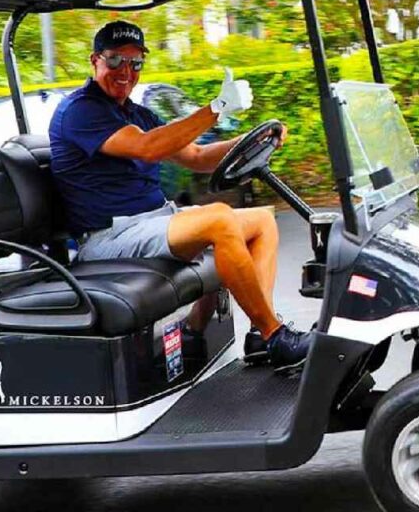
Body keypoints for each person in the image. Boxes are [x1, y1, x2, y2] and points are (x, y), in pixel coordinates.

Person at [48, 21, 314, 373]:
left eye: (135, 63)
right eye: (115, 61)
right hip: (107, 238)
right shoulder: (81, 111)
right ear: (95, 60)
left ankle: (249, 335)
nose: (125, 72)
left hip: (152, 222)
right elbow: (147, 148)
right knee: (218, 219)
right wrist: (215, 108)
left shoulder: (137, 113)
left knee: (262, 220)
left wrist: (253, 138)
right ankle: (275, 335)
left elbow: (198, 158)